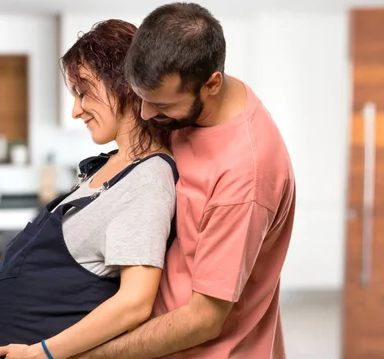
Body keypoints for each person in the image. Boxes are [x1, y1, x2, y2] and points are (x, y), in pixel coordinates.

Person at [73, 3, 296, 359]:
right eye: (140, 99)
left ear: (211, 84)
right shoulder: (194, 100)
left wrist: (87, 355)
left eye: (160, 105)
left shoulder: (245, 175)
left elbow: (204, 319)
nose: (146, 115)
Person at [0, 20, 178, 359]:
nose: (76, 110)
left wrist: (43, 353)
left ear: (124, 84)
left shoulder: (149, 178)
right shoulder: (106, 165)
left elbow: (134, 303)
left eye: (84, 92)